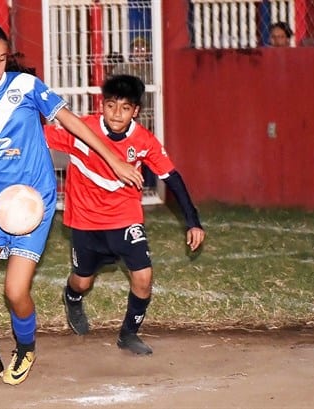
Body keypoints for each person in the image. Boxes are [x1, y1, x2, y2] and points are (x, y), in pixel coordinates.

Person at [0, 23, 143, 390]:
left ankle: (25, 349)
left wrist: (114, 159)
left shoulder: (25, 87)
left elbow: (72, 123)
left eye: (2, 59)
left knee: (15, 292)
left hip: (32, 202)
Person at [44, 74, 206, 355]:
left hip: (124, 217)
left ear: (136, 111)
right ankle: (72, 298)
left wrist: (193, 221)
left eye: (125, 107)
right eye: (110, 105)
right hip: (85, 220)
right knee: (82, 281)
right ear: (101, 105)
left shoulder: (143, 141)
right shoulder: (82, 129)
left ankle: (129, 334)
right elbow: (35, 136)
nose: (117, 113)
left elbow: (172, 177)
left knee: (143, 276)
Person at [108, 37, 157, 194]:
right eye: (136, 49)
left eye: (143, 49)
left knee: (147, 152)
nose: (140, 52)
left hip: (147, 116)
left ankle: (149, 185)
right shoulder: (123, 68)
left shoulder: (151, 69)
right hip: (126, 118)